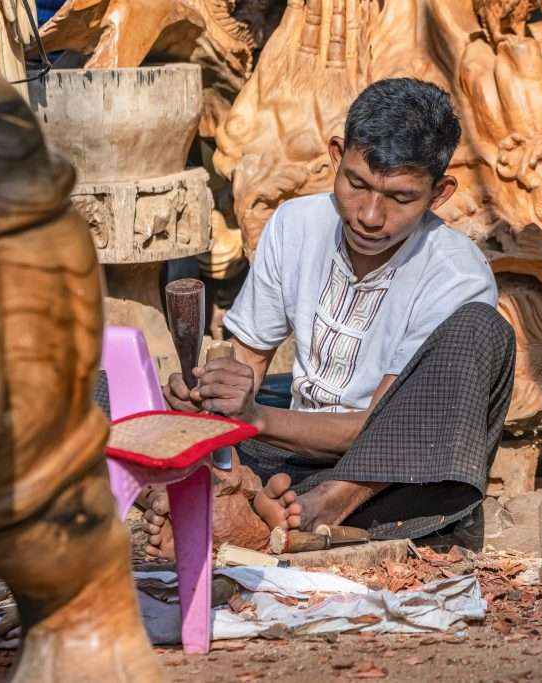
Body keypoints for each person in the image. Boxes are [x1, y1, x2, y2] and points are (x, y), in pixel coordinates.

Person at [146, 77, 515, 559]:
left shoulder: (456, 273)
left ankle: (309, 509)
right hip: (285, 452)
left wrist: (253, 417)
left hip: (386, 479)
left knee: (483, 330)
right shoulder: (294, 224)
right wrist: (210, 405)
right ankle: (249, 502)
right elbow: (246, 364)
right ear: (337, 154)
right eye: (356, 183)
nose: (369, 215)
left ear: (439, 193)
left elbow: (372, 427)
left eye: (401, 198)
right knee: (103, 397)